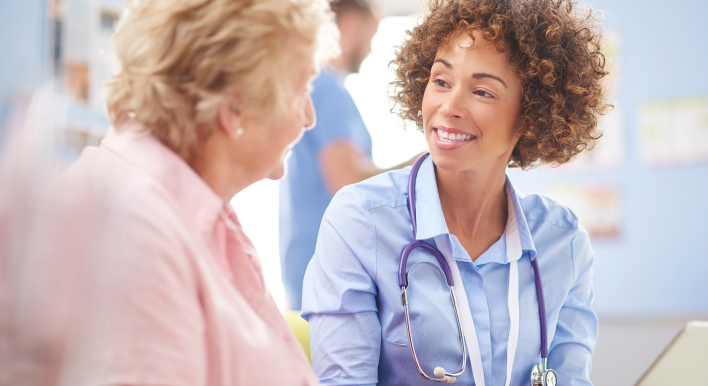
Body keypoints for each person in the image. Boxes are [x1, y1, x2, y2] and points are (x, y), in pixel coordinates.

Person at [1, 0, 337, 384]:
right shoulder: (136, 227)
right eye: (300, 90)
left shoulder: (191, 212)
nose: (309, 116)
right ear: (235, 108)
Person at [301, 0, 611, 385]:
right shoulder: (361, 220)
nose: (449, 106)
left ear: (531, 115)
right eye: (441, 81)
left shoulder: (562, 241)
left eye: (481, 91)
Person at [280, 0, 418, 311]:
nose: (370, 49)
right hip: (327, 281)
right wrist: (414, 168)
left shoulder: (315, 87)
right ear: (353, 26)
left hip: (306, 273)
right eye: (372, 35)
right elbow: (346, 181)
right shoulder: (329, 91)